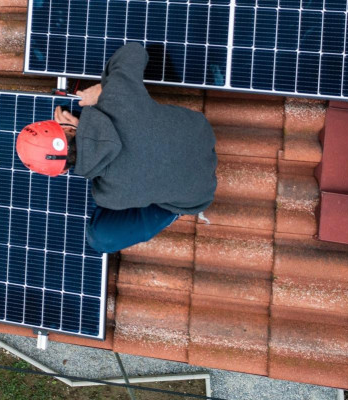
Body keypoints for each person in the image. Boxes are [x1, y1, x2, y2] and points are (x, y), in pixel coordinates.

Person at [16, 42, 218, 254]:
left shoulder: (107, 195)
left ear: (63, 171)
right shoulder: (116, 98)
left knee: (100, 235)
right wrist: (104, 90)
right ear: (66, 127)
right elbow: (135, 50)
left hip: (200, 193)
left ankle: (174, 207)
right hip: (201, 133)